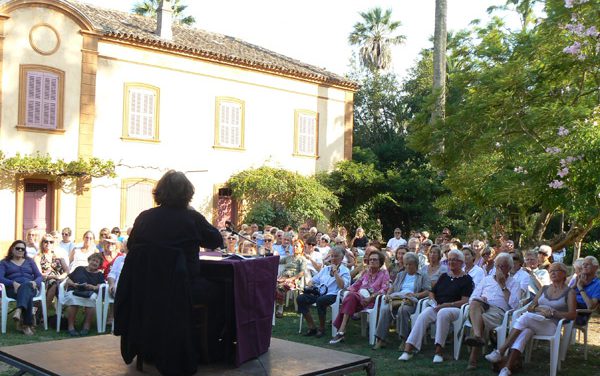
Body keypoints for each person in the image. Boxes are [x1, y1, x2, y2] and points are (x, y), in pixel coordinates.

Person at [114, 170, 223, 376]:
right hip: (182, 288)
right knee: (222, 291)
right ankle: (206, 349)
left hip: (146, 290)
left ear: (159, 192)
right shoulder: (191, 218)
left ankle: (150, 346)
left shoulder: (144, 217)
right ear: (187, 194)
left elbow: (133, 246)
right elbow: (216, 241)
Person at [484, 262, 576, 376]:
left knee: (525, 317)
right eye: (551, 271)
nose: (552, 273)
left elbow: (572, 315)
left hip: (552, 326)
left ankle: (501, 351)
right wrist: (540, 309)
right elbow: (531, 307)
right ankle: (506, 369)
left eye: (556, 270)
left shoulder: (570, 292)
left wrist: (554, 313)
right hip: (536, 321)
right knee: (526, 331)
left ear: (564, 273)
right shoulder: (544, 288)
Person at [399, 249, 474, 363]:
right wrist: (433, 300)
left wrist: (447, 305)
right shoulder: (444, 276)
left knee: (443, 313)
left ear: (461, 262)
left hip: (455, 309)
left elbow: (465, 300)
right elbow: (432, 291)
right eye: (449, 260)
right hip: (438, 306)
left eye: (454, 260)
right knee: (424, 314)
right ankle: (408, 349)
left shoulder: (467, 279)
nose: (451, 262)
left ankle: (439, 351)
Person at [464, 253, 521, 370]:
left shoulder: (514, 283)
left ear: (509, 268)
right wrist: (481, 299)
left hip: (499, 312)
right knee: (475, 302)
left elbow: (514, 306)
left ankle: (473, 355)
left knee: (482, 320)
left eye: (503, 266)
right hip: (480, 307)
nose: (499, 269)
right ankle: (479, 337)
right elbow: (472, 297)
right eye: (497, 266)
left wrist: (503, 286)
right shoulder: (486, 280)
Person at [330, 250, 389, 344]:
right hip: (357, 300)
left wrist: (371, 297)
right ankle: (341, 330)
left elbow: (384, 289)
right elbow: (356, 285)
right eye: (370, 260)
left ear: (380, 262)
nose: (372, 261)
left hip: (371, 302)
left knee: (350, 298)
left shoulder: (384, 273)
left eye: (375, 260)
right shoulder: (366, 272)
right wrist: (349, 291)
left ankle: (341, 331)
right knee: (350, 296)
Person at [374, 252, 431, 350]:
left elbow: (427, 291)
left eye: (410, 264)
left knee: (403, 310)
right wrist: (388, 295)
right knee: (385, 310)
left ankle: (404, 339)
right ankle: (380, 339)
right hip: (397, 298)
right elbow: (393, 287)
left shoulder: (423, 275)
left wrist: (416, 295)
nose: (408, 266)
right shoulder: (401, 274)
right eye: (406, 264)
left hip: (411, 301)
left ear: (416, 264)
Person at [296, 246, 350, 338]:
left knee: (321, 300)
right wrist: (310, 286)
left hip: (334, 295)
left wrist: (336, 272)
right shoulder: (326, 269)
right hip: (320, 293)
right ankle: (312, 326)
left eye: (336, 256)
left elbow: (342, 286)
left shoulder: (345, 271)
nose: (333, 258)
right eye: (332, 256)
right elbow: (313, 280)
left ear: (341, 258)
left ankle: (321, 328)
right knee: (301, 298)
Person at [0, 240, 42, 335]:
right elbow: (0, 278)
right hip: (12, 290)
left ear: (24, 251)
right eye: (17, 248)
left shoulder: (30, 261)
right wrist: (12, 283)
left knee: (26, 286)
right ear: (12, 249)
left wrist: (35, 282)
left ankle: (19, 311)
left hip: (30, 287)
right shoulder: (4, 263)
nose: (20, 250)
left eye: (22, 249)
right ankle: (27, 324)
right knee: (27, 293)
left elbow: (39, 276)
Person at [62, 253, 105, 336]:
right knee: (72, 298)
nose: (94, 263)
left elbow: (101, 285)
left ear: (99, 265)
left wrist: (93, 287)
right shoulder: (79, 269)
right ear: (89, 260)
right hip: (75, 290)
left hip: (89, 292)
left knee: (92, 299)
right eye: (93, 260)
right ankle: (71, 327)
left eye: (97, 262)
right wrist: (74, 284)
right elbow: (68, 280)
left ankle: (86, 326)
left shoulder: (99, 274)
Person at [35, 234, 69, 314]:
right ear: (42, 243)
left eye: (51, 242)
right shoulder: (38, 257)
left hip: (60, 279)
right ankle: (46, 313)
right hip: (45, 279)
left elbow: (67, 270)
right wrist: (54, 277)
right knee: (53, 283)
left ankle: (42, 313)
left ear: (54, 244)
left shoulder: (58, 256)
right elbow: (39, 273)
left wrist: (61, 276)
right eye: (46, 241)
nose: (48, 244)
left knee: (56, 283)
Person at [275, 241, 306, 317]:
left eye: (297, 246)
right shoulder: (288, 257)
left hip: (293, 280)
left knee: (280, 287)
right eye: (294, 246)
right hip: (282, 277)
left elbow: (302, 273)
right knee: (271, 285)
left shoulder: (302, 259)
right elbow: (277, 261)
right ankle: (271, 305)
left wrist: (290, 279)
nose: (295, 248)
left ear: (302, 248)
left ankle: (280, 308)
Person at [572, 256, 599, 325]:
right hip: (568, 307)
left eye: (588, 264)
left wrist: (580, 287)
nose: (584, 266)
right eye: (583, 264)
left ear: (596, 267)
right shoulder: (579, 279)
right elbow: (563, 295)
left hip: (580, 314)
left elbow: (590, 306)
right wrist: (575, 285)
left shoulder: (598, 284)